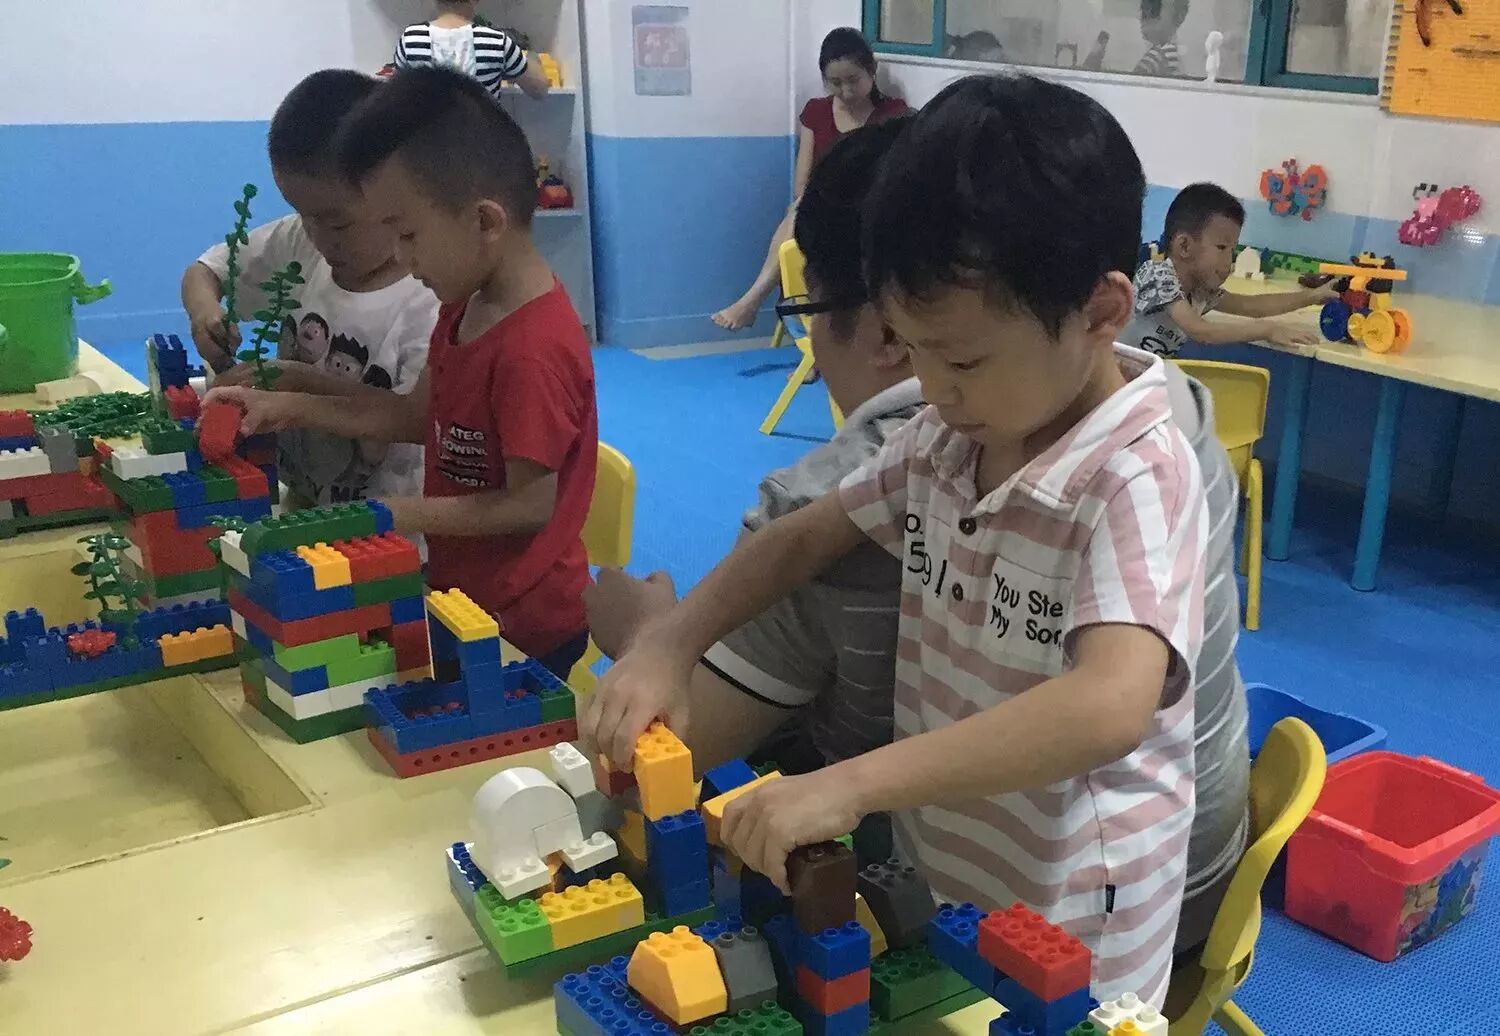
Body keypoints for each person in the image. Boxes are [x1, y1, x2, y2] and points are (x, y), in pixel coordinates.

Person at [586, 74, 1206, 1006]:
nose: (934, 389)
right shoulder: (945, 438)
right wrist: (669, 643)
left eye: (961, 359)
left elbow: (1108, 706)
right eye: (912, 350)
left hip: (1081, 928)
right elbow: (799, 541)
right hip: (951, 877)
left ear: (1101, 313)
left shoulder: (1135, 472)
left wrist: (850, 785)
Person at [589, 118, 921, 864]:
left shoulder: (832, 495)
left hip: (890, 879)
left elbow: (659, 757)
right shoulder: (1157, 419)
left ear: (888, 334)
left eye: (808, 315)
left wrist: (643, 636)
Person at [207, 67, 597, 679]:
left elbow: (528, 506)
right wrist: (293, 394)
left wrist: (392, 513)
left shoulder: (530, 350)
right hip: (462, 598)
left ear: (485, 222)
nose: (402, 257)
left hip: (524, 625)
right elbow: (416, 417)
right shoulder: (467, 303)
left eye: (409, 234)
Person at [182, 69, 435, 507]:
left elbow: (415, 419)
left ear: (397, 195)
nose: (318, 236)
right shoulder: (300, 241)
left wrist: (299, 381)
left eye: (338, 223)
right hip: (302, 504)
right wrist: (206, 313)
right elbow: (205, 272)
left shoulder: (429, 297)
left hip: (387, 527)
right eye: (303, 214)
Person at [711, 28, 909, 332]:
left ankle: (753, 301)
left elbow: (893, 179)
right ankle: (760, 304)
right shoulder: (816, 112)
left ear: (872, 70)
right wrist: (817, 201)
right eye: (835, 83)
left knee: (807, 212)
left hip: (868, 210)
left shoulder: (893, 114)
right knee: (802, 207)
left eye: (853, 80)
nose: (846, 91)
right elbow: (801, 182)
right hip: (822, 206)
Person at [1120, 182, 1336, 357]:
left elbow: (1253, 306)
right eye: (1222, 247)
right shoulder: (1158, 275)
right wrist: (1266, 329)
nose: (1230, 261)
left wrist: (1311, 296)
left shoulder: (1200, 292)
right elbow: (1201, 331)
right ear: (1184, 246)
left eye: (1233, 250)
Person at [396, 0, 550, 99]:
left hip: (426, 141)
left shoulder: (410, 38)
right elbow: (539, 90)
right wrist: (530, 55)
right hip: (481, 141)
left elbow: (399, 96)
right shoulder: (495, 41)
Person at [1134, 0, 1190, 76]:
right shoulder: (1174, 55)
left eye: (1153, 9)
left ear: (1180, 16)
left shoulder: (1157, 57)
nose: (1140, 17)